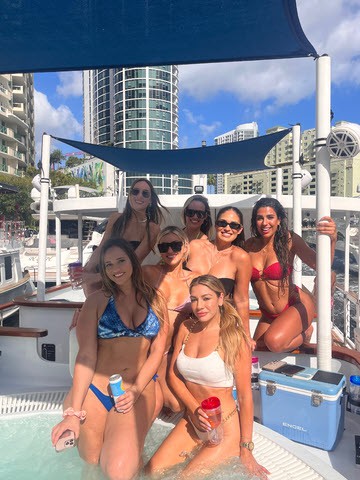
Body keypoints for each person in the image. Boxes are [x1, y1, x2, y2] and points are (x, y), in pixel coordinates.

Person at [51, 238, 168, 480]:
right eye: (108, 265)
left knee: (118, 472)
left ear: (133, 261)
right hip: (95, 390)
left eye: (121, 261)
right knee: (92, 467)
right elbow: (85, 356)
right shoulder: (95, 302)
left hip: (136, 387)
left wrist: (135, 390)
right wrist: (73, 413)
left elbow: (157, 351)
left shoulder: (156, 300)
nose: (116, 269)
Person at [146, 275, 269, 479]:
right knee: (150, 472)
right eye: (194, 299)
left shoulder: (234, 337)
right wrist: (194, 410)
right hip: (194, 419)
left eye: (206, 298)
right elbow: (173, 375)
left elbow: (246, 397)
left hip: (225, 427)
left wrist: (246, 449)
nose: (199, 306)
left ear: (220, 299)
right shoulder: (186, 328)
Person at [244, 197, 337, 352]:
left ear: (279, 220)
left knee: (273, 342)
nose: (265, 223)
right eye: (259, 218)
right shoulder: (249, 246)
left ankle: (305, 334)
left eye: (270, 217)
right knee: (255, 350)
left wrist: (332, 240)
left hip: (295, 305)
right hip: (267, 315)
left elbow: (321, 265)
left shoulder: (289, 240)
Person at [143, 226, 199, 413]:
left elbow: (213, 309)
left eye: (175, 245)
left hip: (169, 352)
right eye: (163, 246)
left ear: (185, 247)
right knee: (169, 404)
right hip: (146, 350)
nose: (169, 251)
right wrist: (84, 308)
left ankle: (149, 387)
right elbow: (116, 283)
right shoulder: (149, 273)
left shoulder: (195, 280)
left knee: (176, 405)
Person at [82, 178, 167, 296]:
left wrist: (97, 278)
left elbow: (134, 262)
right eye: (135, 191)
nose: (139, 196)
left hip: (124, 281)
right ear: (130, 195)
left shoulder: (152, 228)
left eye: (145, 193)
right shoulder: (115, 218)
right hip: (103, 277)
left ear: (150, 200)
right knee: (94, 304)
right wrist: (87, 270)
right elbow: (102, 247)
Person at [187, 206, 253, 343]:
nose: (227, 228)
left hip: (218, 326)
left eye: (234, 225)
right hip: (187, 320)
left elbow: (241, 299)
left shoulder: (241, 257)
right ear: (216, 224)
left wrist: (246, 335)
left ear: (240, 230)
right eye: (222, 223)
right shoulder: (195, 246)